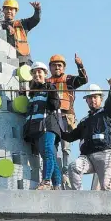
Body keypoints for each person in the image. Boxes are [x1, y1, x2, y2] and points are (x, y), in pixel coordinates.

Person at [62, 79, 111, 191]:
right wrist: (56, 129)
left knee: (106, 187)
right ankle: (81, 198)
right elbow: (70, 137)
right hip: (87, 157)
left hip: (105, 153)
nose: (92, 100)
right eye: (89, 98)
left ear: (101, 99)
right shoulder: (84, 121)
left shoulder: (106, 112)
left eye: (95, 97)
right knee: (73, 167)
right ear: (86, 101)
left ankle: (108, 208)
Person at [46, 53, 88, 189]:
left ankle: (65, 174)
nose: (57, 68)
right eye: (54, 65)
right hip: (52, 117)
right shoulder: (47, 82)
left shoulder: (68, 80)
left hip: (66, 115)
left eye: (59, 65)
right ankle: (56, 175)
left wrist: (79, 65)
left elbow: (84, 80)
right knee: (53, 148)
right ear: (50, 68)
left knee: (66, 148)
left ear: (63, 68)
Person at [23, 62, 63, 190]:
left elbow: (55, 105)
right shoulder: (34, 93)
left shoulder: (49, 87)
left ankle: (46, 182)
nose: (36, 75)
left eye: (39, 72)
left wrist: (51, 90)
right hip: (37, 129)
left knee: (47, 152)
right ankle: (57, 185)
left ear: (45, 74)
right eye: (34, 73)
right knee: (48, 155)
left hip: (48, 127)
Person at [1, 0, 41, 66]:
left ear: (16, 11)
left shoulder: (22, 24)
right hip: (7, 60)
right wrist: (6, 25)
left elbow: (35, 19)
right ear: (3, 10)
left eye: (11, 9)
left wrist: (37, 10)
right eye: (7, 9)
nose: (9, 11)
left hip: (24, 59)